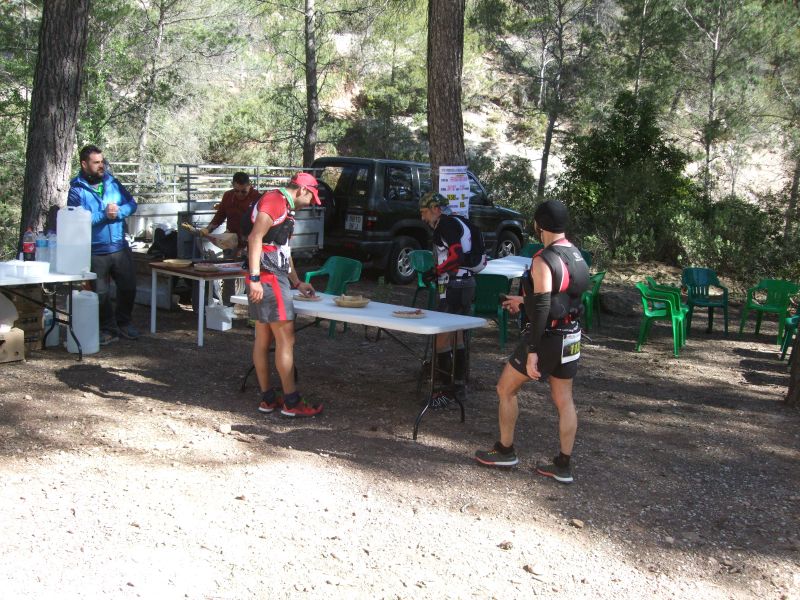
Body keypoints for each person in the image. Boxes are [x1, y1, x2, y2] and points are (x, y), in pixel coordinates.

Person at [474, 199, 589, 484]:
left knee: (505, 388)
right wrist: (524, 301)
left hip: (547, 338)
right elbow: (560, 298)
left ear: (539, 225)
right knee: (564, 400)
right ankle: (563, 465)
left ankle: (505, 450)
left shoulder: (543, 259)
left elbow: (543, 307)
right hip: (572, 335)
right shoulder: (576, 255)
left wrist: (533, 351)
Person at [247, 172, 323, 417]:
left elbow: (282, 250)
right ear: (302, 189)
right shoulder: (275, 201)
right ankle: (292, 401)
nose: (310, 203)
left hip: (269, 277)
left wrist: (297, 282)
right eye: (311, 197)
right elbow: (255, 237)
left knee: (263, 339)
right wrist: (255, 279)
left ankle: (268, 399)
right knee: (286, 340)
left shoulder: (284, 207)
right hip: (268, 278)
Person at [68, 145, 138, 345]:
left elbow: (132, 204)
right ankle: (108, 328)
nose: (101, 166)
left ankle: (124, 323)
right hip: (95, 250)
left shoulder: (113, 183)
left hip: (119, 246)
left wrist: (119, 212)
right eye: (96, 162)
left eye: (102, 162)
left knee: (128, 287)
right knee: (100, 294)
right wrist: (104, 215)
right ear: (84, 164)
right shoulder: (76, 190)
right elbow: (77, 220)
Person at [419, 191, 478, 403]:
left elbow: (456, 255)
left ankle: (444, 391)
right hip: (467, 283)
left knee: (441, 336)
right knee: (457, 334)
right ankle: (458, 387)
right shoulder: (459, 221)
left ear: (436, 209)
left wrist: (437, 271)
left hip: (455, 285)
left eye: (424, 212)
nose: (423, 217)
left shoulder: (445, 225)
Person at [199, 172, 260, 306]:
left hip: (251, 243)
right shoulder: (228, 196)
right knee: (228, 276)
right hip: (231, 240)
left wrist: (248, 244)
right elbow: (220, 215)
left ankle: (253, 310)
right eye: (236, 191)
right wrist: (208, 229)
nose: (239, 194)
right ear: (232, 186)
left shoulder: (257, 198)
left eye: (243, 192)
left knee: (252, 275)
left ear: (250, 186)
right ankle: (228, 307)